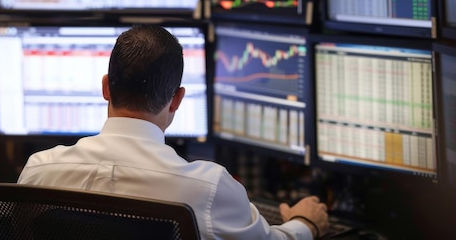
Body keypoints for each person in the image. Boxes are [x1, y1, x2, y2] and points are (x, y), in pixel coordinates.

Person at [18, 24, 329, 240]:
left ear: (105, 88)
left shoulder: (39, 171)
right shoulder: (207, 188)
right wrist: (305, 223)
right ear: (177, 99)